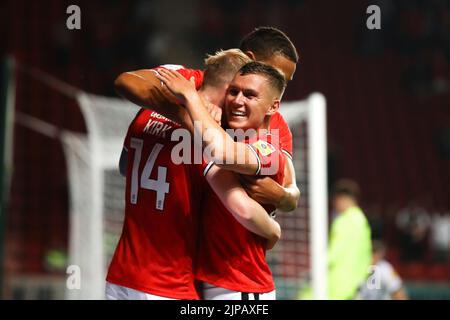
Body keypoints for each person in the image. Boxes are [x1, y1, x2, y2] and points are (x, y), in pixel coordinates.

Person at [106, 49, 281, 300]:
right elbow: (242, 208)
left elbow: (125, 166)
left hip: (121, 277)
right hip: (168, 283)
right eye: (236, 92)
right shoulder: (207, 140)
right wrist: (273, 229)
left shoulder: (146, 112)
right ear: (229, 89)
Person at [114, 26, 300, 212]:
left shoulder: (273, 121)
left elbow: (290, 191)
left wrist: (283, 197)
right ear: (250, 60)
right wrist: (191, 111)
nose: (280, 87)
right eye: (277, 75)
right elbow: (125, 82)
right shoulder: (186, 81)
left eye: (285, 82)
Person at [157, 61, 288, 300]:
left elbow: (221, 154)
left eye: (250, 95)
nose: (238, 100)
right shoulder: (229, 135)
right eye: (234, 91)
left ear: (273, 106)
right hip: (213, 282)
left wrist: (190, 98)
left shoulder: (268, 151)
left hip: (241, 288)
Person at [326, 179, 372, 300]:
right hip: (356, 287)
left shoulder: (342, 221)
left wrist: (317, 267)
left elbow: (334, 253)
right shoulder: (363, 221)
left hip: (337, 287)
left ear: (340, 199)